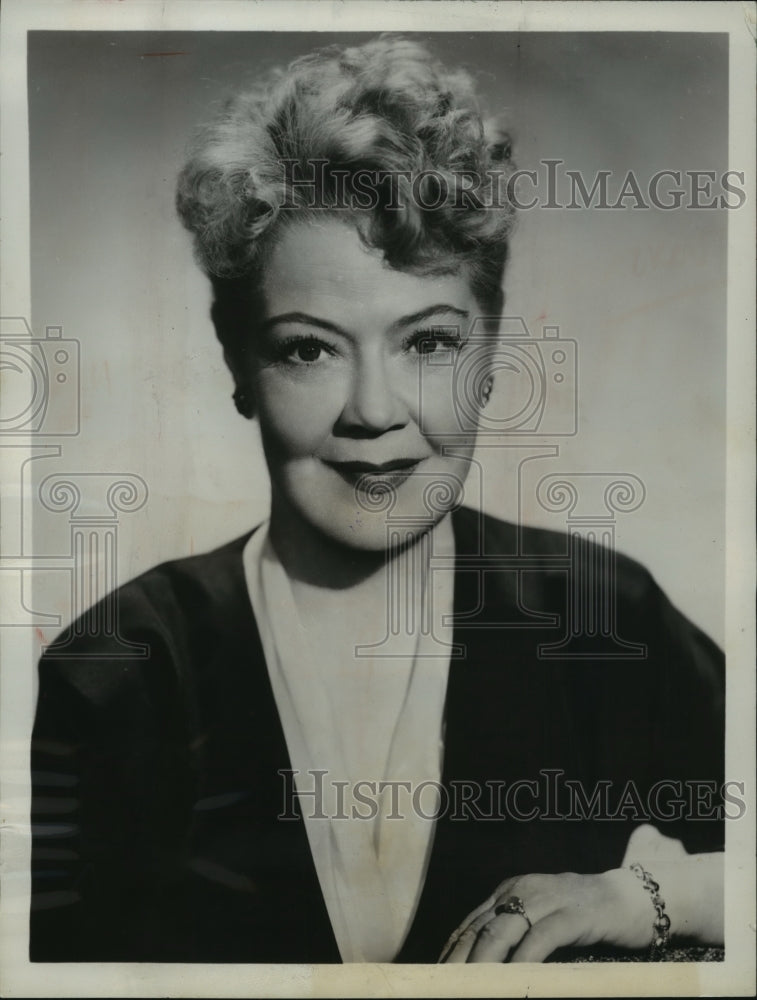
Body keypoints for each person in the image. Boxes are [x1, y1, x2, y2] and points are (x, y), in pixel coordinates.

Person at [30, 35, 725, 964]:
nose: (372, 412)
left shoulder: (606, 619)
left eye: (428, 343)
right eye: (308, 348)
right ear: (239, 363)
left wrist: (650, 896)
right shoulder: (121, 668)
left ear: (488, 351)